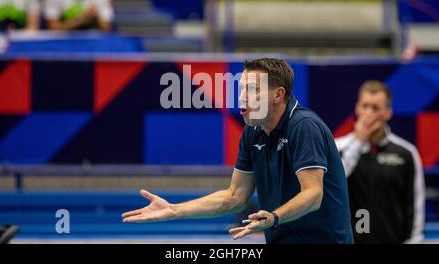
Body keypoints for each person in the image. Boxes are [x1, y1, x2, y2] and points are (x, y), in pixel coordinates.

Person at [122, 58, 354, 244]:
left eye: (253, 90)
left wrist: (274, 217)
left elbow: (313, 195)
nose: (242, 97)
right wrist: (174, 210)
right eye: (241, 88)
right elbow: (235, 197)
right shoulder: (252, 131)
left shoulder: (304, 126)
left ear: (278, 94)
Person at [335, 80, 425, 244]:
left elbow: (415, 205)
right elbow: (332, 183)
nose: (369, 113)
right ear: (357, 108)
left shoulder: (406, 153)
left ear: (388, 112)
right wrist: (358, 143)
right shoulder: (337, 147)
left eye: (375, 108)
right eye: (365, 106)